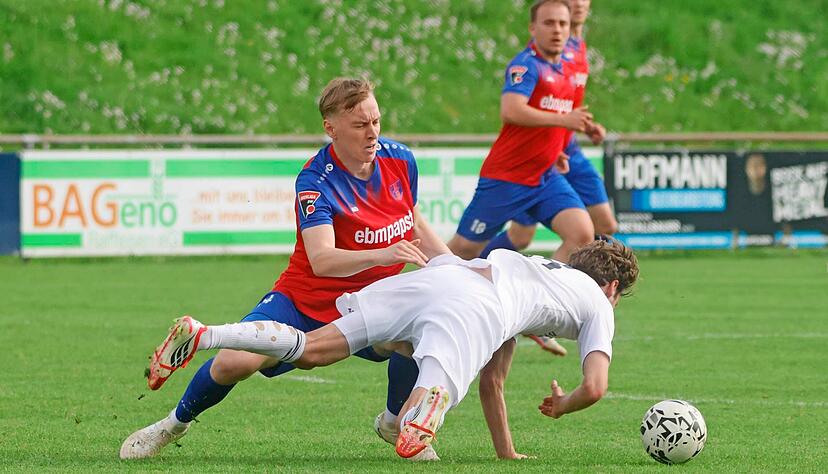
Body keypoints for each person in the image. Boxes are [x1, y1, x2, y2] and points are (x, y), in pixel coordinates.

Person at [120, 77, 451, 460]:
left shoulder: (400, 159)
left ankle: (392, 423)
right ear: (331, 128)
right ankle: (171, 425)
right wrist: (381, 255)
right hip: (304, 302)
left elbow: (413, 219)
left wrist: (453, 267)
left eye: (376, 120)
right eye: (361, 124)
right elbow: (322, 259)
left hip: (370, 302)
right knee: (233, 363)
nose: (373, 132)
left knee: (415, 339)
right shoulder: (316, 181)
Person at [147, 239, 639, 460]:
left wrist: (506, 453)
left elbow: (494, 383)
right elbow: (595, 387)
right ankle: (420, 411)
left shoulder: (539, 270)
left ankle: (206, 334)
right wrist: (563, 405)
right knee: (438, 378)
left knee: (314, 347)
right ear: (613, 287)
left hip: (449, 274)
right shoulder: (599, 303)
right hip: (478, 307)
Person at [447, 0, 596, 268]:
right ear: (532, 28)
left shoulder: (565, 70)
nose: (557, 30)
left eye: (562, 23)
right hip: (508, 177)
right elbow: (512, 110)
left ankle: (545, 293)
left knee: (582, 235)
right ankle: (422, 285)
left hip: (545, 176)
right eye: (548, 23)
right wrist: (565, 120)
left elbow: (550, 117)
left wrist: (555, 150)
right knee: (463, 249)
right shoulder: (526, 65)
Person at [481, 0, 617, 262]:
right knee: (521, 236)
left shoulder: (577, 46)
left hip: (568, 146)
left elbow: (563, 100)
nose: (578, 3)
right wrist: (551, 141)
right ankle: (472, 269)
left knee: (603, 224)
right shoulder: (550, 50)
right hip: (544, 150)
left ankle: (572, 282)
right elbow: (532, 103)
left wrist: (586, 125)